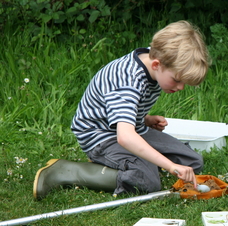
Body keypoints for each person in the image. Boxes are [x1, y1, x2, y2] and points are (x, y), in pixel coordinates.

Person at [33, 21, 210, 200]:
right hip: (101, 136)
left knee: (192, 162)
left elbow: (123, 107)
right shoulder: (128, 80)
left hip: (130, 128)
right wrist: (171, 167)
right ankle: (67, 171)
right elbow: (124, 136)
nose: (180, 87)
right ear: (157, 64)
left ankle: (140, 162)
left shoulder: (158, 61)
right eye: (177, 80)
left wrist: (145, 118)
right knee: (147, 182)